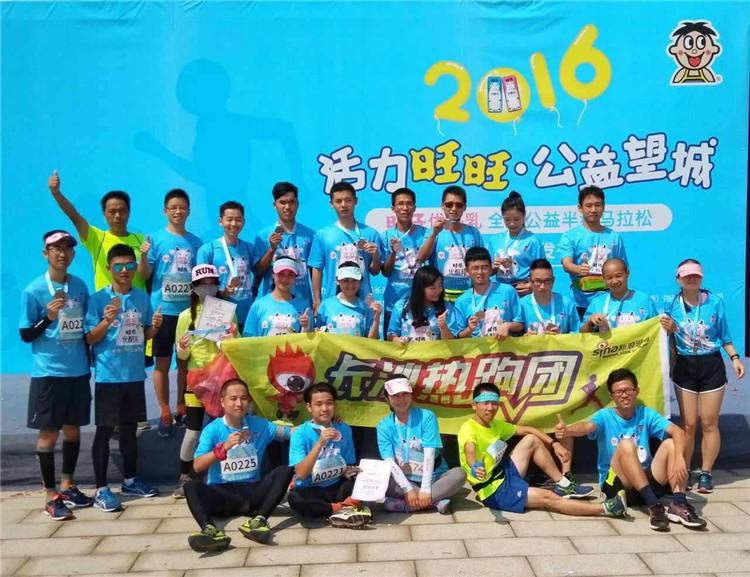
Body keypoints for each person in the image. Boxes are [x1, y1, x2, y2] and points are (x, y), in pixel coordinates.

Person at [555, 368, 707, 530]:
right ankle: (654, 507)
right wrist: (568, 430)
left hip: (648, 482)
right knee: (626, 444)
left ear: (636, 391)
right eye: (619, 392)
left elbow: (678, 432)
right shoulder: (605, 416)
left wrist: (679, 459)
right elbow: (587, 427)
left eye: (628, 390)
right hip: (619, 487)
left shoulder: (646, 414)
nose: (624, 395)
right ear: (612, 396)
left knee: (671, 444)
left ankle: (679, 503)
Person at [19, 230, 93, 520]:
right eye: (56, 249)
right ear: (45, 254)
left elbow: (85, 326)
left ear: (73, 254)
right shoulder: (33, 290)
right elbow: (26, 334)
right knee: (49, 433)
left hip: (78, 370)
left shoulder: (80, 286)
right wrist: (47, 318)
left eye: (67, 248)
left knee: (73, 429)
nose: (62, 253)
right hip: (49, 372)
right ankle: (50, 495)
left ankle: (68, 485)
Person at [458, 384, 613, 518]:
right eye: (485, 403)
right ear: (474, 405)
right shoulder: (468, 429)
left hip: (503, 473)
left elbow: (528, 430)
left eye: (494, 403)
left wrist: (554, 444)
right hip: (494, 490)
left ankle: (563, 484)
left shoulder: (495, 425)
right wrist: (475, 466)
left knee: (532, 439)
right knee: (548, 497)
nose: (490, 408)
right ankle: (607, 508)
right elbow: (469, 450)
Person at [84, 245, 162, 512]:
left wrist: (155, 328)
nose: (125, 270)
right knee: (105, 431)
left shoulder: (142, 298)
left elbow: (144, 334)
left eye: (129, 265)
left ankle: (130, 480)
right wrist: (106, 321)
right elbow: (89, 338)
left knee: (130, 430)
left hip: (134, 375)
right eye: (119, 266)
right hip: (109, 376)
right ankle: (101, 489)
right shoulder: (97, 300)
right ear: (109, 269)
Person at [662, 259, 745, 493]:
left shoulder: (715, 302)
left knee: (709, 423)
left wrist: (735, 358)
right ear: (678, 279)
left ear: (701, 278)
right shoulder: (671, 303)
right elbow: (658, 333)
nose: (691, 279)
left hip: (711, 365)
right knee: (689, 424)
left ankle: (706, 472)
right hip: (685, 366)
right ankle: (685, 470)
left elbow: (725, 336)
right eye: (687, 275)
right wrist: (668, 329)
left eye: (696, 275)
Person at [185, 378, 294, 552]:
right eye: (233, 398)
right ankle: (210, 530)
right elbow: (197, 467)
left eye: (243, 398)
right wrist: (223, 448)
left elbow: (291, 433)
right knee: (190, 486)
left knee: (284, 471)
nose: (239, 403)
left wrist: (322, 425)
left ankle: (259, 521)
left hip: (251, 494)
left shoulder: (260, 425)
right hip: (221, 494)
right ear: (222, 402)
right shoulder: (212, 429)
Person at [139, 189, 203, 439]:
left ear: (189, 211)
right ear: (165, 211)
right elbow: (145, 275)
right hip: (162, 313)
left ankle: (181, 407)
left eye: (182, 207)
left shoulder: (196, 243)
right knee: (162, 363)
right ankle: (164, 410)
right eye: (173, 207)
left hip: (188, 314)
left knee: (185, 363)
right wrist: (143, 256)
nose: (178, 211)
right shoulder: (155, 240)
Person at [173, 264, 237, 497]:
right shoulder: (185, 316)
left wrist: (231, 338)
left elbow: (236, 346)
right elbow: (181, 356)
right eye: (202, 284)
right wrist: (182, 348)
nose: (208, 288)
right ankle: (184, 476)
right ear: (194, 288)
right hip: (197, 382)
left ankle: (221, 476)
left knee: (223, 429)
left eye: (212, 283)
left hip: (222, 380)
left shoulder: (228, 311)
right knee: (193, 432)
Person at [376, 376, 466, 514]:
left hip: (434, 478)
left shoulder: (427, 416)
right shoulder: (383, 426)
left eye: (405, 394)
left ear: (411, 395)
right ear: (387, 399)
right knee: (378, 479)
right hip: (404, 480)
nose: (401, 399)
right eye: (395, 395)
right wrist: (407, 489)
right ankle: (434, 502)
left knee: (459, 474)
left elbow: (430, 453)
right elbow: (389, 462)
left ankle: (409, 505)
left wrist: (425, 489)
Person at [287, 383, 372, 528]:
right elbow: (301, 473)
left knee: (362, 483)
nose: (325, 409)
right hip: (310, 489)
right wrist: (320, 443)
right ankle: (342, 508)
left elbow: (348, 464)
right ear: (309, 407)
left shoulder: (344, 429)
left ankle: (337, 509)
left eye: (329, 403)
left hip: (336, 486)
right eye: (319, 404)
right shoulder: (300, 433)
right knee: (295, 499)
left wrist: (355, 472)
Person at [48, 170, 146, 290]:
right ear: (104, 214)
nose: (117, 216)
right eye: (112, 212)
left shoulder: (142, 240)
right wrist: (56, 193)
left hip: (139, 302)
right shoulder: (96, 237)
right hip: (107, 301)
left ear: (129, 213)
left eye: (122, 211)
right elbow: (74, 216)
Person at [308, 182, 381, 314]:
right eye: (338, 201)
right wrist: (317, 300)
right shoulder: (323, 235)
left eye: (348, 200)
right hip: (333, 304)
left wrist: (376, 256)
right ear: (331, 204)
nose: (343, 205)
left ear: (355, 201)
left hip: (364, 303)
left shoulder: (371, 233)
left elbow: (375, 271)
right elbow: (317, 269)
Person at [559, 186, 627, 318]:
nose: (593, 210)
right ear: (580, 208)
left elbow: (623, 268)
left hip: (610, 302)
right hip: (581, 303)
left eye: (598, 205)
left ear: (604, 207)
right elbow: (566, 264)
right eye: (589, 206)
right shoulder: (570, 236)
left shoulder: (614, 236)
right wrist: (578, 269)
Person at [196, 200, 256, 333]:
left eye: (238, 220)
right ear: (220, 221)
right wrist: (223, 292)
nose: (234, 224)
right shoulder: (208, 250)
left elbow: (260, 272)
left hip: (246, 314)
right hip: (219, 315)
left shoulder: (249, 248)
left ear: (244, 222)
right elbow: (201, 287)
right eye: (229, 220)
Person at [417, 185, 483, 302]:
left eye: (459, 205)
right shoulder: (433, 231)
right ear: (442, 206)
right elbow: (421, 258)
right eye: (449, 204)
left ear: (465, 207)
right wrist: (434, 234)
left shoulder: (473, 233)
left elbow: (482, 262)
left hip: (468, 294)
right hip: (440, 295)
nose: (454, 208)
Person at [254, 182, 315, 306]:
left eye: (292, 202)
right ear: (274, 205)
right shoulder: (263, 235)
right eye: (282, 202)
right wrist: (271, 250)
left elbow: (314, 271)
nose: (287, 207)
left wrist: (317, 299)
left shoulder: (310, 235)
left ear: (297, 204)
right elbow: (258, 271)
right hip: (272, 304)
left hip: (302, 303)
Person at [379, 188, 429, 333]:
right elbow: (386, 272)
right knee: (392, 342)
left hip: (421, 301)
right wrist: (393, 252)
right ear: (393, 208)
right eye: (400, 204)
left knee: (422, 341)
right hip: (393, 300)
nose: (405, 208)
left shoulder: (426, 234)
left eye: (409, 204)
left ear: (414, 207)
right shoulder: (385, 236)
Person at [450, 247, 522, 340]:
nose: (480, 272)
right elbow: (458, 336)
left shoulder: (508, 291)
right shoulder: (461, 301)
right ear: (467, 271)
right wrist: (469, 330)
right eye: (475, 268)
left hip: (504, 348)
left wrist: (507, 326)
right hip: (477, 349)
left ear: (491, 269)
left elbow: (520, 324)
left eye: (484, 267)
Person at [485, 191, 544, 297]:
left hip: (522, 291)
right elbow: (487, 272)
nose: (512, 224)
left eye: (516, 219)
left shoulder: (532, 241)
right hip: (500, 291)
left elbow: (542, 270)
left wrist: (531, 286)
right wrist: (493, 267)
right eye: (507, 220)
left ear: (524, 216)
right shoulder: (495, 240)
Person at [580, 258, 661, 333]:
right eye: (609, 278)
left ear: (627, 274)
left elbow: (657, 329)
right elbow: (582, 334)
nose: (614, 281)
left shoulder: (644, 299)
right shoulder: (597, 303)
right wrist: (590, 322)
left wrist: (667, 327)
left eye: (618, 276)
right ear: (604, 279)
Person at [242, 257, 311, 337]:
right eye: (280, 274)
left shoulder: (304, 307)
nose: (285, 279)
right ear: (273, 275)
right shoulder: (258, 306)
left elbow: (310, 340)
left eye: (290, 275)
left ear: (295, 277)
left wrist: (306, 328)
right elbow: (248, 338)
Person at [387, 266, 454, 343]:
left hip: (435, 351)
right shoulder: (401, 306)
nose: (438, 291)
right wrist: (397, 340)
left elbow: (452, 341)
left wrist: (443, 327)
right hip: (408, 350)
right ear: (420, 288)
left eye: (440, 286)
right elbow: (391, 334)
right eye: (432, 288)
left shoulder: (446, 307)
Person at [315, 262, 382, 338]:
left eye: (354, 280)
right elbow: (318, 334)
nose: (350, 284)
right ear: (337, 280)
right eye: (346, 280)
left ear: (360, 281)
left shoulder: (366, 308)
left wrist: (376, 319)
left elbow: (371, 340)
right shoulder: (326, 305)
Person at [519, 259, 580, 335]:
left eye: (547, 281)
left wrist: (561, 336)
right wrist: (525, 337)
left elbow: (577, 333)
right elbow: (514, 336)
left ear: (553, 280)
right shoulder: (522, 305)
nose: (542, 286)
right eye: (538, 281)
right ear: (530, 281)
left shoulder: (567, 303)